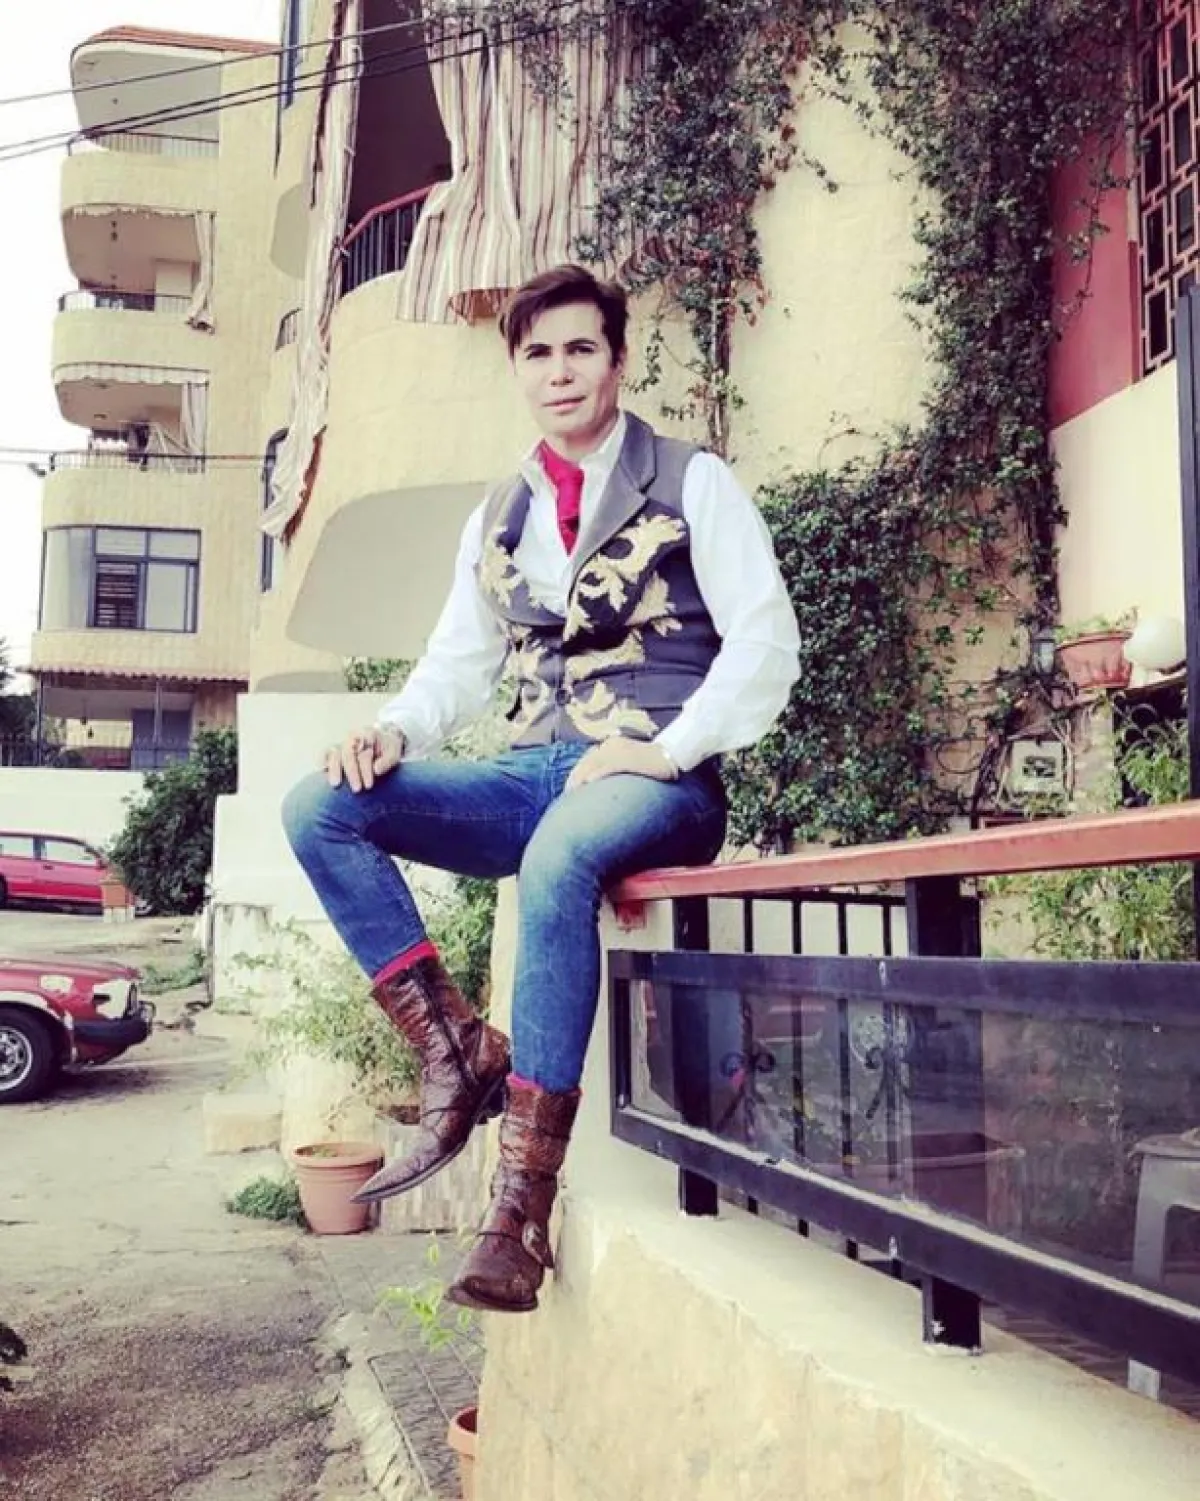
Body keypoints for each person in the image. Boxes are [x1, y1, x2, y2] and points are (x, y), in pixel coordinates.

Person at [283, 264, 800, 1314]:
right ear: (517, 369)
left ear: (616, 360)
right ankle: (456, 1049)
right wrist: (390, 731)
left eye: (579, 349)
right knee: (320, 805)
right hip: (532, 770)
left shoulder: (693, 479)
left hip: (654, 780)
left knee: (560, 853)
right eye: (538, 353)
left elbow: (766, 641)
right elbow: (456, 663)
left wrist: (671, 748)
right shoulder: (500, 512)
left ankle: (519, 1208)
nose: (559, 371)